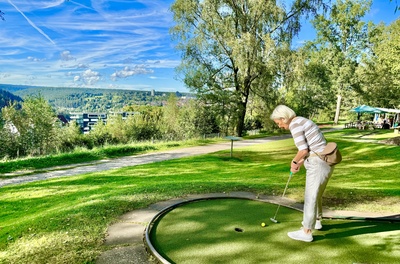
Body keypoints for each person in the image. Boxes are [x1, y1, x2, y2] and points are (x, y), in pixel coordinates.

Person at [270, 105, 334, 242]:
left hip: (318, 163)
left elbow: (303, 149)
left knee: (311, 196)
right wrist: (300, 162)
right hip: (326, 161)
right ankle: (317, 221)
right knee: (317, 194)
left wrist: (293, 162)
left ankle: (306, 232)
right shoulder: (302, 120)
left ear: (283, 118)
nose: (279, 126)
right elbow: (313, 146)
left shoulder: (295, 125)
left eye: (278, 123)